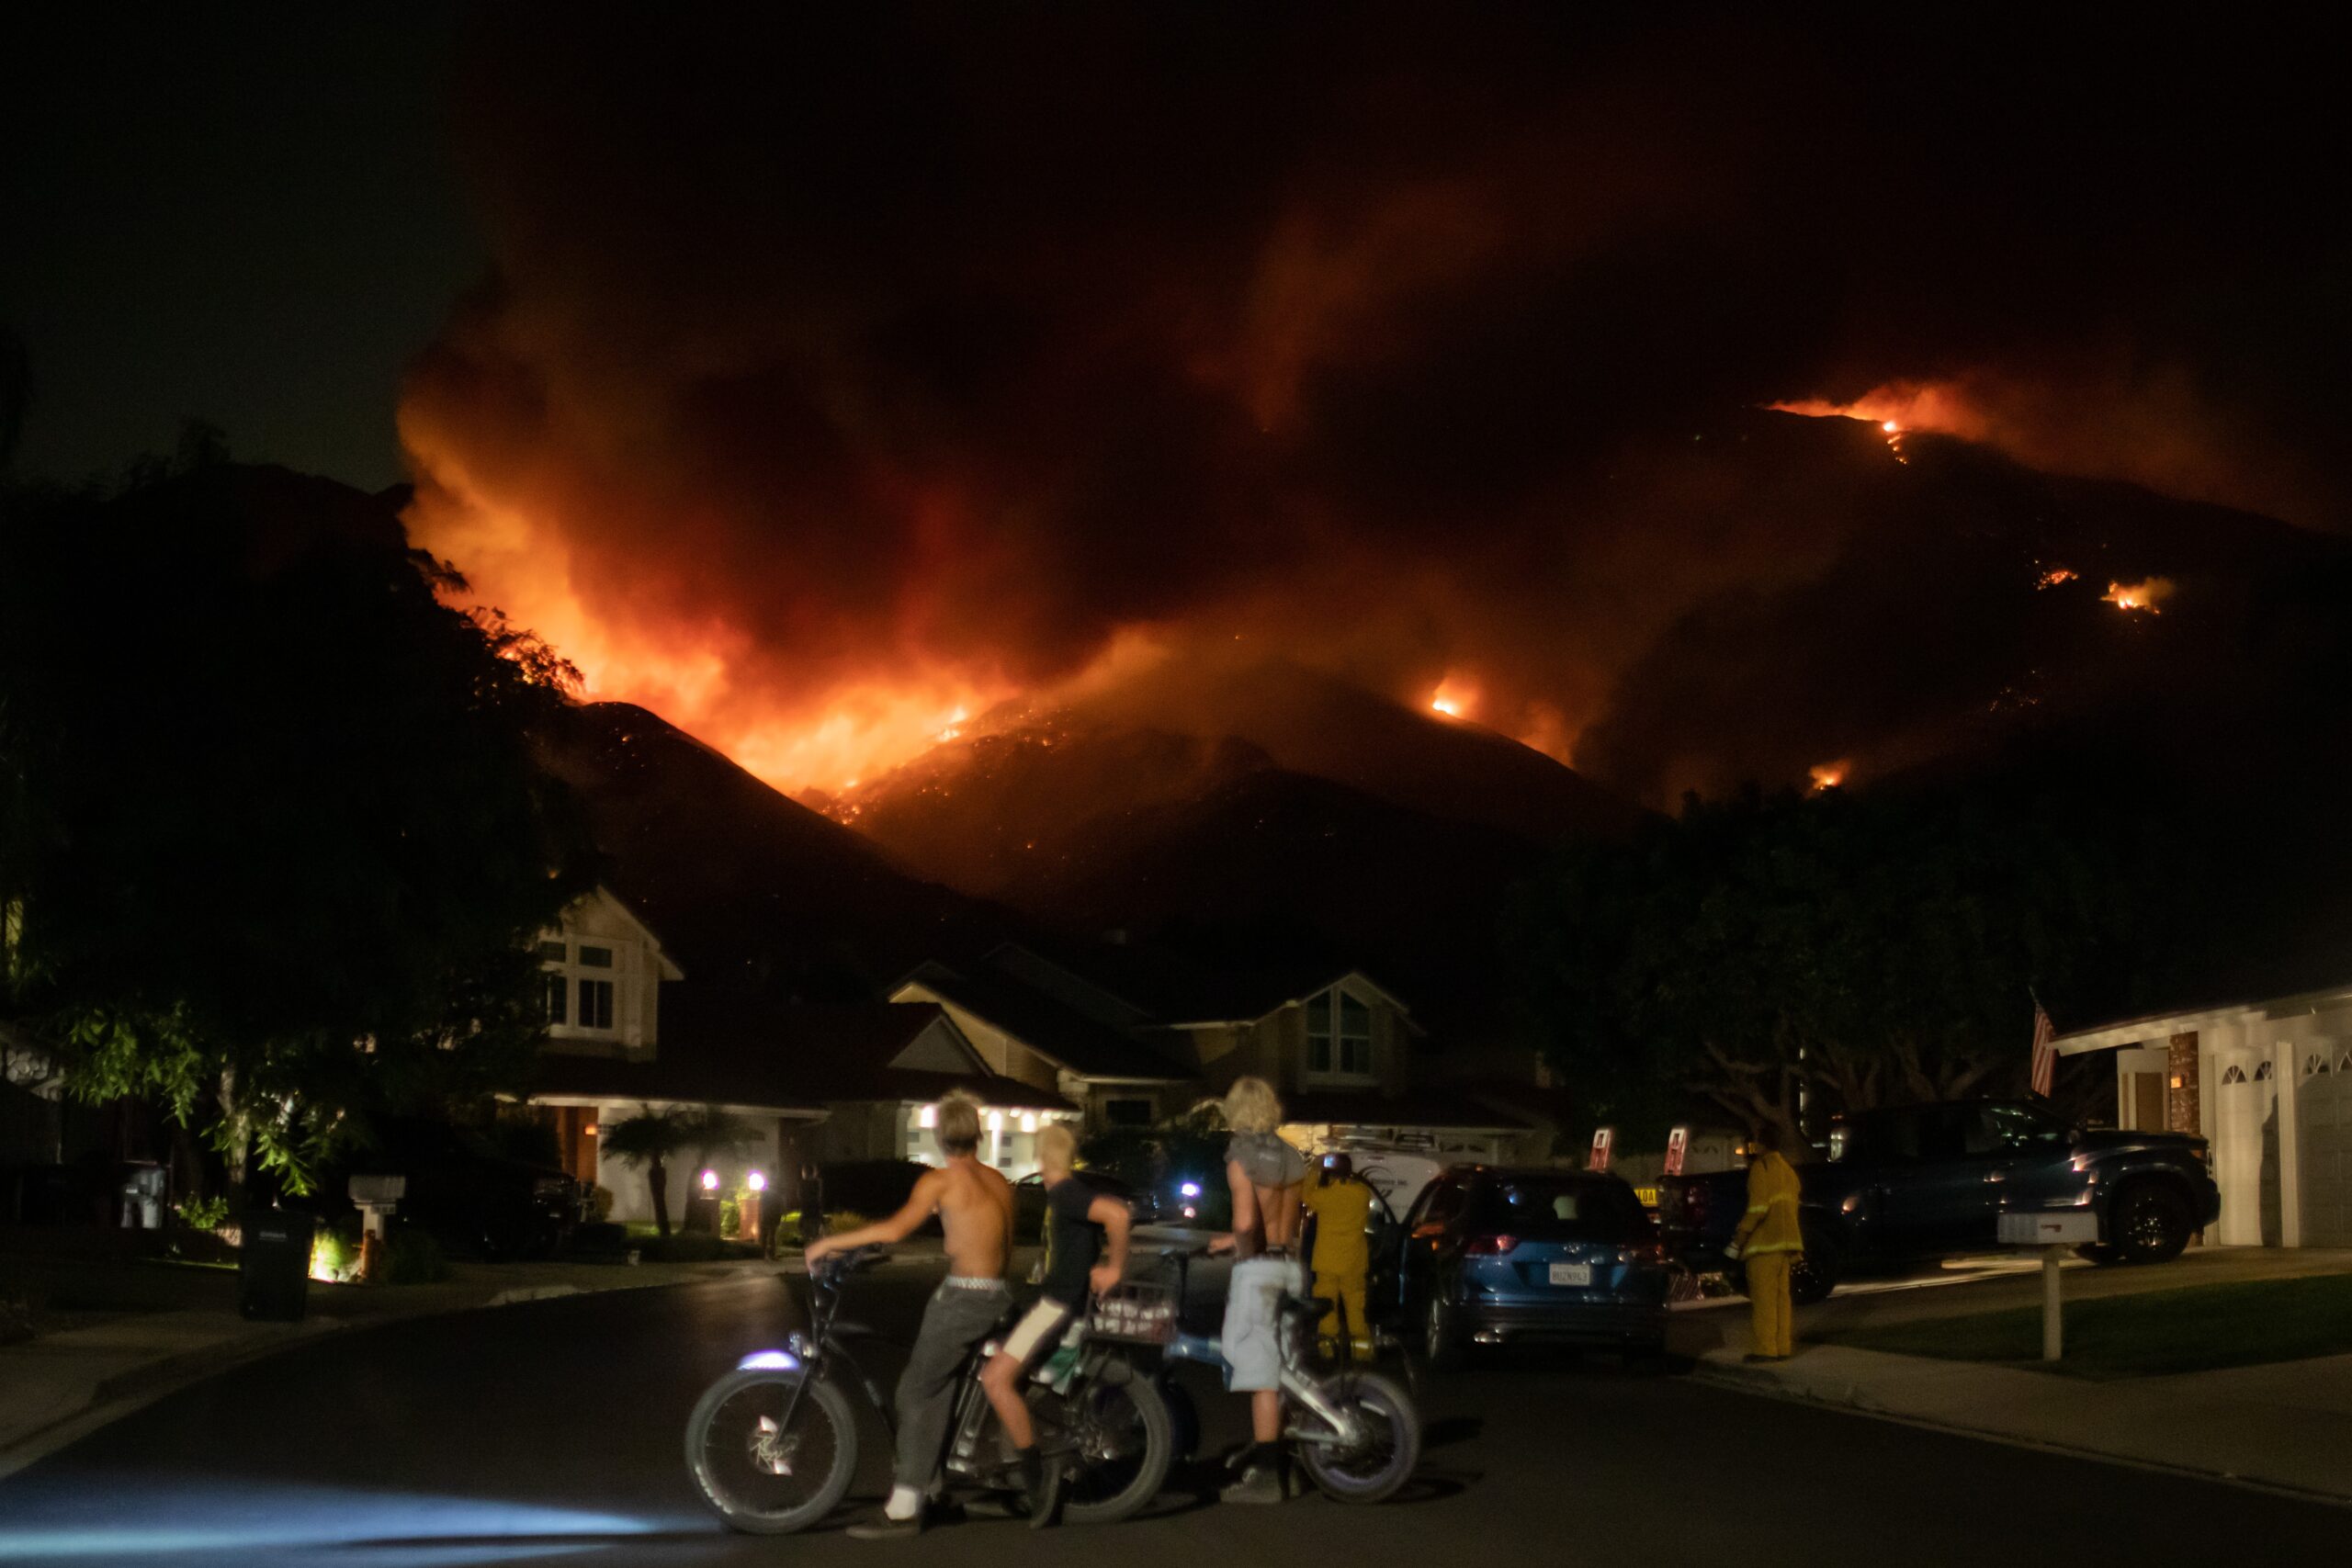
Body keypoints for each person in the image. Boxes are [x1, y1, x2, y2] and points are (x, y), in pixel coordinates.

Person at [806, 1094, 1013, 1539]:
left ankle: (904, 1506)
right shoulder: (999, 1180)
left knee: (915, 1391)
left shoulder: (939, 1181)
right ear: (977, 1134)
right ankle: (931, 1486)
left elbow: (896, 1229)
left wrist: (831, 1244)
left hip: (964, 1298)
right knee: (939, 1382)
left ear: (940, 1137)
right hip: (997, 1295)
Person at [980, 1122, 1131, 1524]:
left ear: (1043, 1157)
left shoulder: (1066, 1194)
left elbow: (1117, 1214)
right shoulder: (1065, 1194)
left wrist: (1114, 1267)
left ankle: (1036, 1487)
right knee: (1003, 1367)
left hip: (1056, 1306)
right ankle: (1014, 1466)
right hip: (1053, 1301)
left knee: (995, 1380)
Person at [1211, 1076, 1308, 1504]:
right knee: (1284, 1368)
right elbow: (1281, 1225)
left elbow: (1248, 1223)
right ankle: (1290, 1465)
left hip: (1260, 1271)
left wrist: (1239, 1246)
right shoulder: (1291, 1155)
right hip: (1291, 1265)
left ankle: (1267, 1476)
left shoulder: (1241, 1156)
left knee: (1259, 1370)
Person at [1724, 1122, 1804, 1362]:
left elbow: (1758, 1208)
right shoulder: (1788, 1171)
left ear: (1760, 1143)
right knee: (1782, 1299)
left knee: (1764, 1300)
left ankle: (1765, 1349)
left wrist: (1739, 1240)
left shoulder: (1761, 1168)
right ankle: (1782, 1347)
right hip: (1787, 1244)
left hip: (1764, 1245)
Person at [1302, 1152, 1374, 1361]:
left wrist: (1316, 1170)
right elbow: (1360, 1186)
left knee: (1327, 1308)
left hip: (1326, 1262)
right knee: (1355, 1308)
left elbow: (1305, 1194)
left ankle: (1328, 1350)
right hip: (1354, 1261)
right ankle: (1361, 1352)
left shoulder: (1324, 1196)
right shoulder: (1361, 1193)